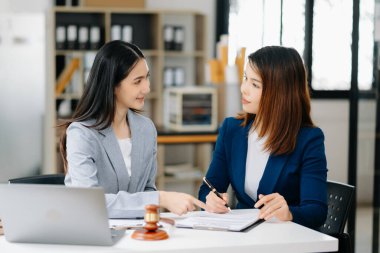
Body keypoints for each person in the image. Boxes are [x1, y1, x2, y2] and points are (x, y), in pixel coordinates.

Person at [60, 40, 205, 218]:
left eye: (147, 77)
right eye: (137, 81)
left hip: (136, 233)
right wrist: (161, 198)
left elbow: (147, 190)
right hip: (93, 234)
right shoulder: (82, 134)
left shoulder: (146, 129)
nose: (147, 88)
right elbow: (90, 203)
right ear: (113, 85)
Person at [198, 46, 328, 229]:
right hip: (242, 238)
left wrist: (289, 212)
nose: (244, 89)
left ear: (279, 93)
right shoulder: (231, 130)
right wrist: (210, 200)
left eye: (255, 84)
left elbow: (316, 211)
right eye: (245, 78)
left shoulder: (308, 139)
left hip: (285, 239)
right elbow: (208, 189)